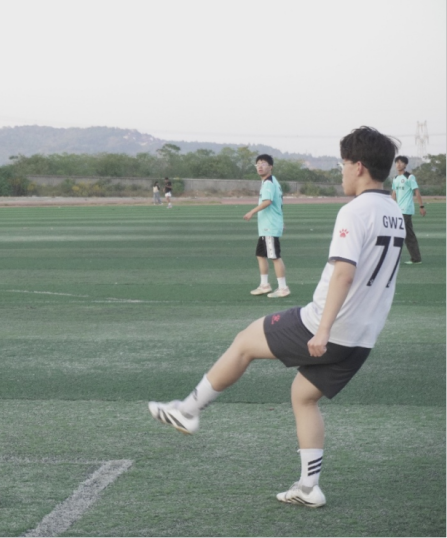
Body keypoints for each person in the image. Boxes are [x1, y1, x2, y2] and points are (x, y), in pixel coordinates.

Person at [148, 127, 405, 508]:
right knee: (303, 396)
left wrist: (322, 329)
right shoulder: (394, 211)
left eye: (343, 164)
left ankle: (188, 411)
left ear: (359, 167)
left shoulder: (355, 210)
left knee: (244, 342)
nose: (341, 171)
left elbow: (344, 274)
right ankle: (308, 487)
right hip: (363, 336)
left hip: (326, 324)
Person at [244, 154, 290, 298]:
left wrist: (251, 212)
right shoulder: (270, 181)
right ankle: (264, 285)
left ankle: (283, 288)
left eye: (263, 163)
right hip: (267, 226)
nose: (260, 166)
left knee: (274, 257)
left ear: (271, 167)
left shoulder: (269, 183)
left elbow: (268, 201)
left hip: (269, 226)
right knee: (260, 255)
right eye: (258, 164)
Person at [391, 156, 426, 264]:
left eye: (401, 162)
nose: (398, 164)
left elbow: (416, 192)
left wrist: (421, 206)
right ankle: (416, 258)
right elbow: (394, 194)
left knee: (398, 233)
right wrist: (391, 207)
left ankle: (394, 258)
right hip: (398, 210)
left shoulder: (410, 177)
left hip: (406, 209)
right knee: (409, 235)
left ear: (405, 165)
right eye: (397, 162)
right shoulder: (395, 178)